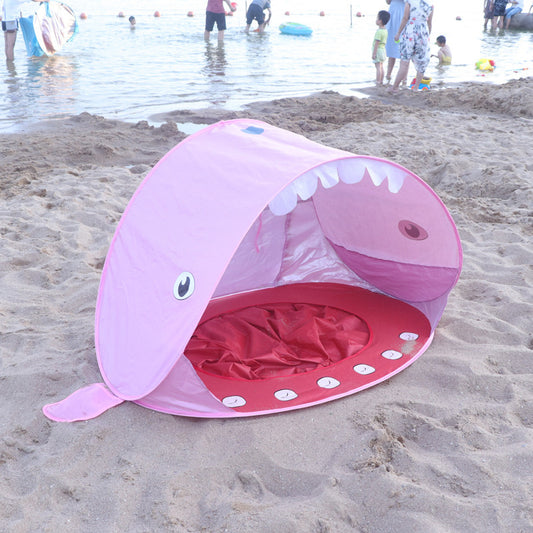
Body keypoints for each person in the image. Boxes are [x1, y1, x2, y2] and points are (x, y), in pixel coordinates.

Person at [390, 0, 434, 93]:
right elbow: (429, 23)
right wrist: (427, 36)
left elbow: (405, 18)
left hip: (410, 31)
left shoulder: (409, 1)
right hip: (423, 32)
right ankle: (416, 88)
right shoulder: (430, 3)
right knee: (422, 62)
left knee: (404, 61)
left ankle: (395, 87)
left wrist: (398, 33)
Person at [385, 0, 405, 84]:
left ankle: (404, 78)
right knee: (391, 47)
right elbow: (388, 2)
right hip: (393, 14)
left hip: (403, 14)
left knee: (404, 51)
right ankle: (388, 75)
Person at [372, 10, 390, 85]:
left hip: (378, 50)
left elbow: (377, 43)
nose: (376, 20)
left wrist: (374, 53)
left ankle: (378, 81)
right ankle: (381, 80)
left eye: (377, 18)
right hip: (383, 50)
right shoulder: (385, 30)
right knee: (381, 66)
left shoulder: (379, 31)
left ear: (380, 21)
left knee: (378, 67)